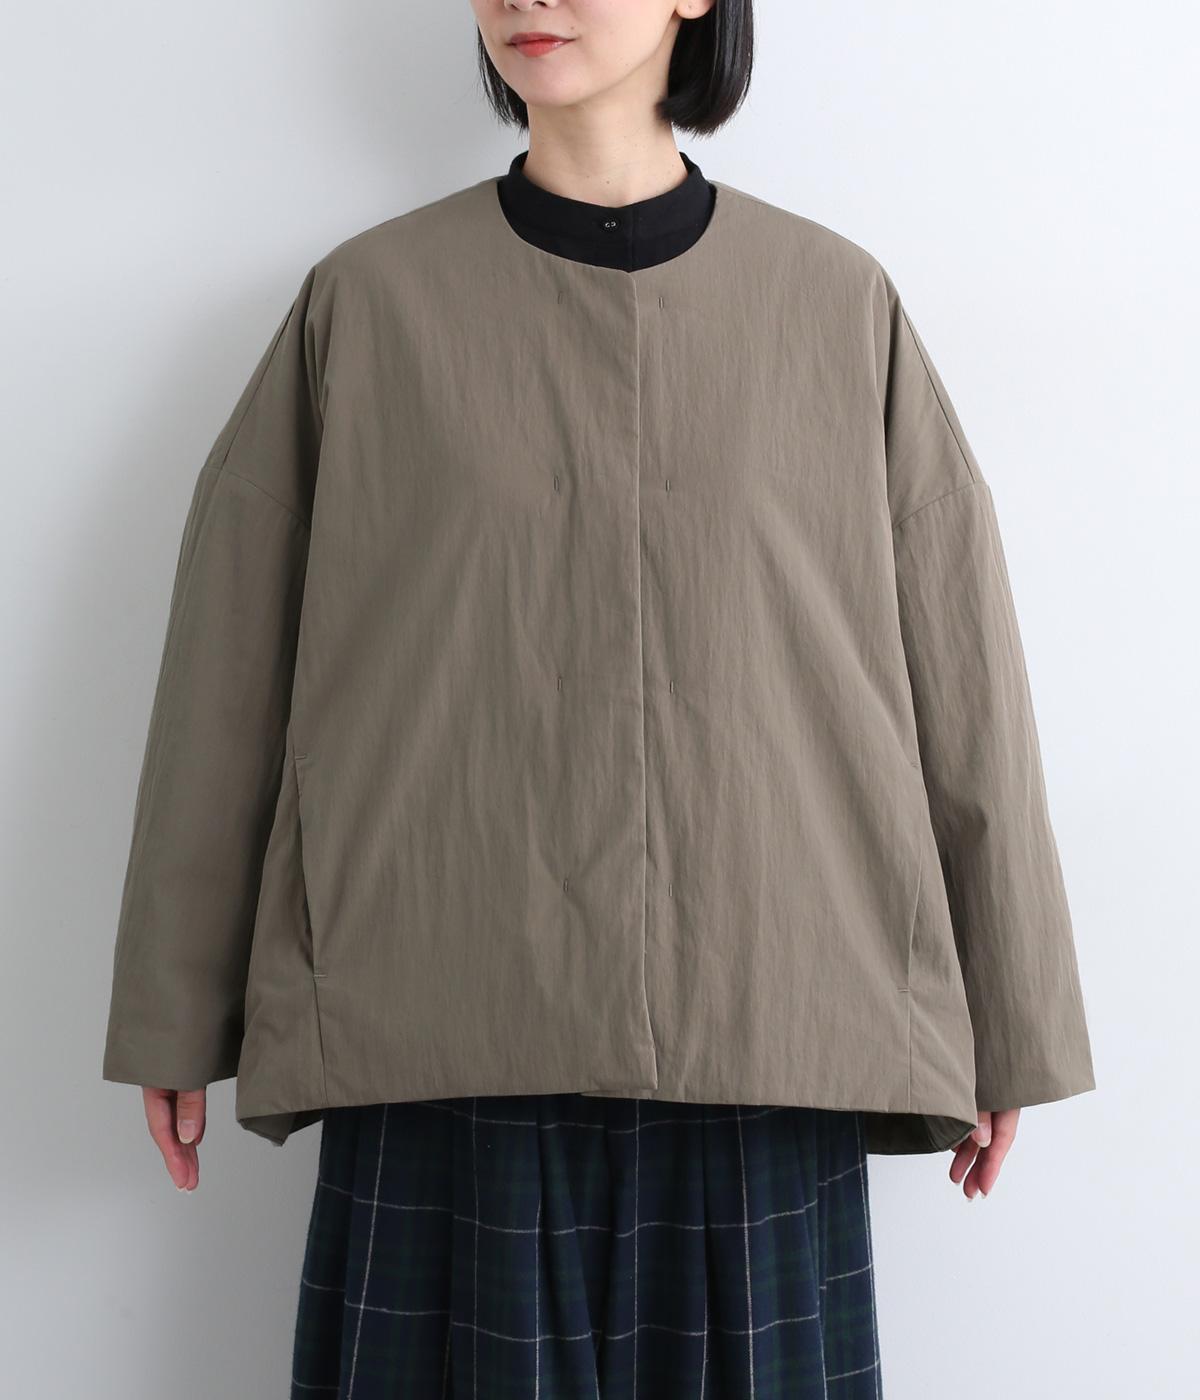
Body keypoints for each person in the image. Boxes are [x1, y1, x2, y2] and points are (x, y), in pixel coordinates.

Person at [101, 3, 1096, 1396]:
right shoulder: (369, 304)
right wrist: (175, 1004)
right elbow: (231, 663)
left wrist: (1013, 1017)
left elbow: (962, 670)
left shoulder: (833, 303)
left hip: (770, 1029)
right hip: (437, 1024)